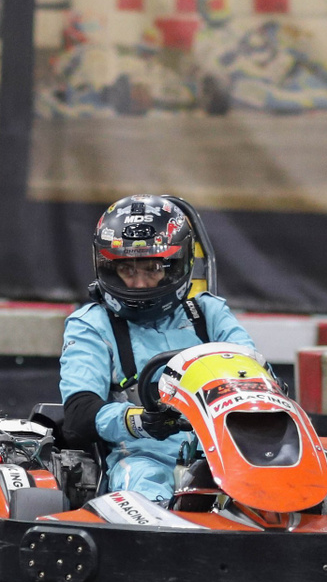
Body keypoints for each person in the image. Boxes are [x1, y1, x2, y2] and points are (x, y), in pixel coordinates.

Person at [59, 195, 255, 505]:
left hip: (226, 454)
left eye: (152, 268)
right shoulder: (92, 324)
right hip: (144, 457)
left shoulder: (209, 314)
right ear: (108, 267)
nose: (139, 284)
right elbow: (78, 415)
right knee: (145, 491)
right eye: (127, 269)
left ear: (176, 266)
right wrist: (140, 420)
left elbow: (253, 376)